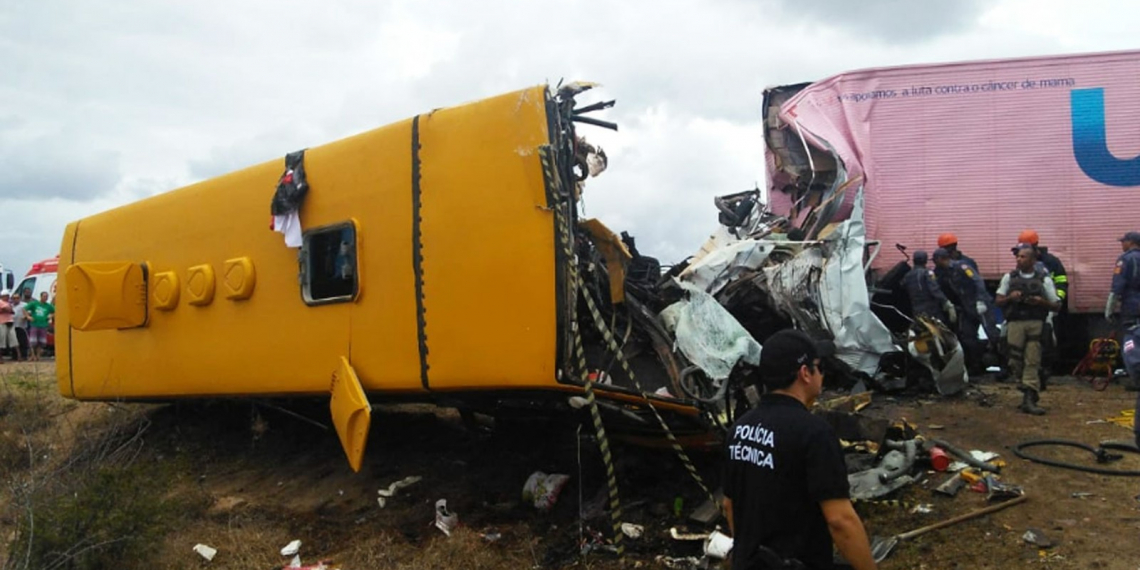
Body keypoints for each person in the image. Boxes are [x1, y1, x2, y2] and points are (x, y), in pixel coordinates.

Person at [723, 329, 877, 570]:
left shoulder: (739, 429)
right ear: (805, 373)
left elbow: (729, 505)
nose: (822, 374)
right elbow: (840, 521)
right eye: (820, 366)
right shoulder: (814, 433)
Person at [996, 245, 1060, 415]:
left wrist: (1041, 302)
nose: (1019, 259)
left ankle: (1029, 396)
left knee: (1032, 359)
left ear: (1033, 260)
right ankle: (1027, 386)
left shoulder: (1043, 279)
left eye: (1023, 257)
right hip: (1015, 323)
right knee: (1015, 359)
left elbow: (1056, 305)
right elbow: (998, 300)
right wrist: (1011, 297)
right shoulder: (1009, 277)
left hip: (1036, 323)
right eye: (1018, 257)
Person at [1013, 230, 1069, 385]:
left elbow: (1061, 282)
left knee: (1047, 340)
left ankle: (1046, 370)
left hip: (1046, 308)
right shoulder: (1022, 262)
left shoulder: (1051, 262)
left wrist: (1056, 301)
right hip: (1027, 310)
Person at [933, 248, 994, 375]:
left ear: (941, 259)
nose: (934, 263)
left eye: (935, 260)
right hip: (967, 308)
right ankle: (976, 365)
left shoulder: (962, 266)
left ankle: (1006, 366)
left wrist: (981, 300)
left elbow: (978, 281)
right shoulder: (945, 272)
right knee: (967, 336)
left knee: (992, 334)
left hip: (980, 306)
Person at [902, 250, 956, 324]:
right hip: (931, 310)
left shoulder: (907, 276)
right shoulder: (927, 273)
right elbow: (934, 289)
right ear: (925, 261)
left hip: (916, 310)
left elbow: (904, 287)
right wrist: (946, 302)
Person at [26, 291, 55, 361]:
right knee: (33, 342)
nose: (45, 298)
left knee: (41, 342)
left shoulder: (48, 306)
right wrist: (28, 317)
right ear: (41, 296)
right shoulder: (34, 304)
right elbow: (24, 309)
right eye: (44, 296)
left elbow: (54, 311)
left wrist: (50, 316)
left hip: (43, 325)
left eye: (46, 297)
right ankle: (33, 355)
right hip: (34, 324)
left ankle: (38, 356)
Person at [0, 291, 19, 362]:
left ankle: (18, 356)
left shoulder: (8, 303)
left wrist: (7, 310)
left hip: (10, 322)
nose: (8, 297)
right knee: (1, 340)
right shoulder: (0, 302)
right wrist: (5, 310)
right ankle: (0, 358)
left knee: (14, 339)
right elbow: (6, 310)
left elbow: (11, 311)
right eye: (6, 296)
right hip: (2, 322)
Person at [12, 290, 29, 361]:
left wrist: (25, 317)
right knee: (14, 342)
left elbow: (29, 313)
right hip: (13, 326)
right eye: (14, 298)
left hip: (22, 326)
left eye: (17, 298)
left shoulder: (24, 305)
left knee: (23, 341)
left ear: (20, 298)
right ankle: (15, 356)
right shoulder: (11, 306)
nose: (16, 299)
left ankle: (24, 356)